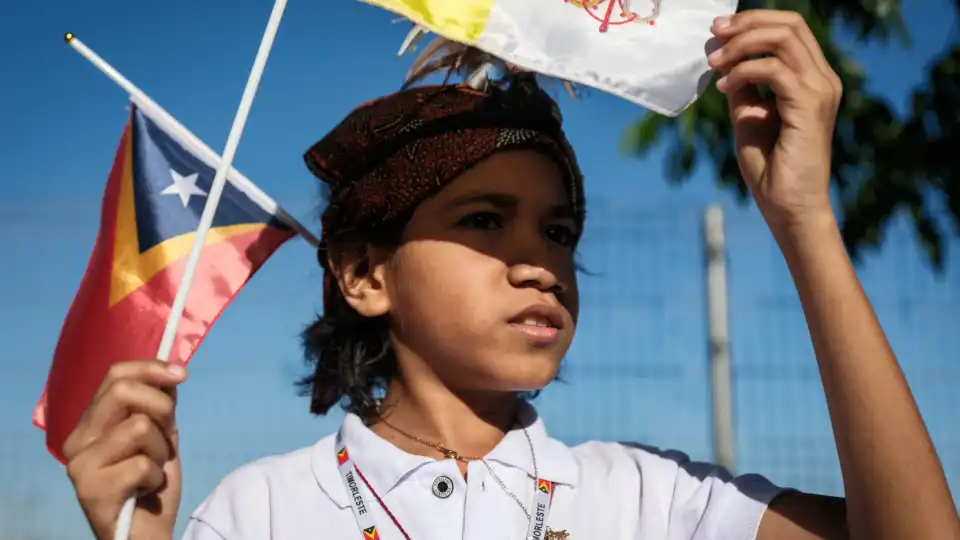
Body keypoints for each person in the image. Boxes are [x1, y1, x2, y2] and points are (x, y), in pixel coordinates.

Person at [62, 10, 960, 540]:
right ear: (364, 274)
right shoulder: (260, 510)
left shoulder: (645, 500)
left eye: (561, 229)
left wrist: (804, 222)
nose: (541, 264)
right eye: (484, 221)